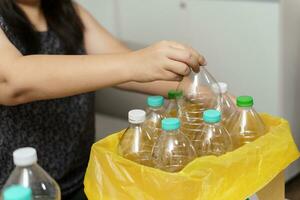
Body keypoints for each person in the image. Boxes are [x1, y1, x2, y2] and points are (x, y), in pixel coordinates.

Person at [0, 0, 206, 199]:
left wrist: (206, 95)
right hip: (14, 192)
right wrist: (136, 63)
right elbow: (11, 80)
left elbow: (127, 66)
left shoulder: (68, 11)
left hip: (82, 181)